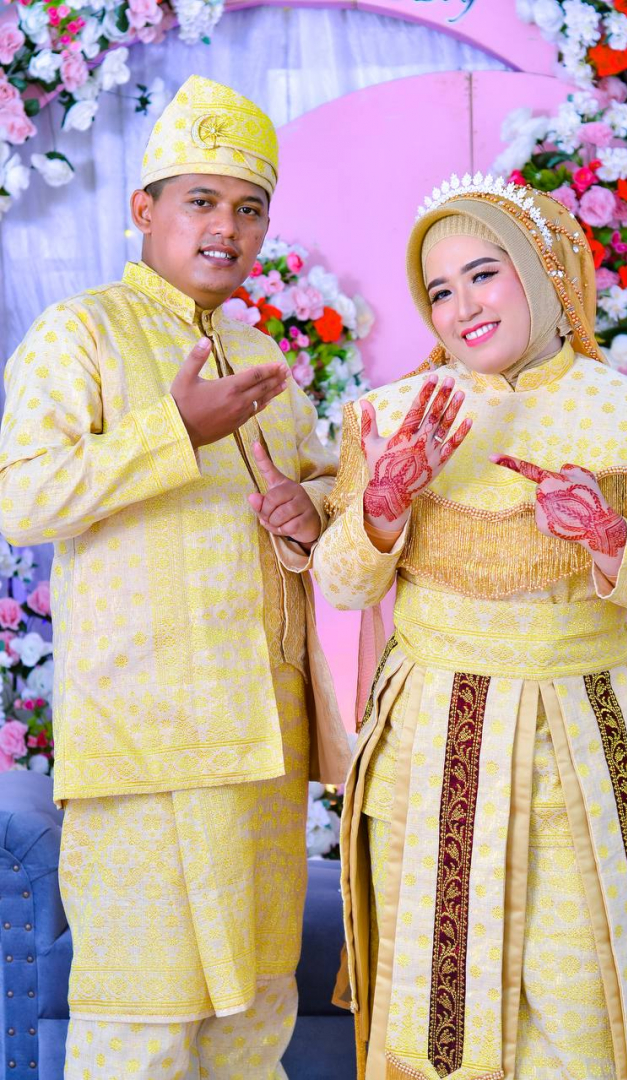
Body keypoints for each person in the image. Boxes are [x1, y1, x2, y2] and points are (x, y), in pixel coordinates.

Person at [312, 173, 627, 1080]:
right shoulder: (392, 419)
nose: (461, 307)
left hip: (575, 743)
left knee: (581, 1010)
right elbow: (339, 584)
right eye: (438, 290)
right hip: (427, 749)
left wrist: (610, 538)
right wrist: (382, 505)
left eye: (483, 274)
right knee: (434, 1010)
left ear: (542, 271)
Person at [0, 74, 349, 1079]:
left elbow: (311, 487)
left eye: (249, 209)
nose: (227, 228)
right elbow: (22, 497)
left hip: (265, 744)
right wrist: (173, 433)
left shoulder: (259, 353)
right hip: (145, 743)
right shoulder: (82, 333)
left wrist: (310, 509)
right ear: (143, 209)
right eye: (202, 201)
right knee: (140, 1029)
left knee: (253, 1023)